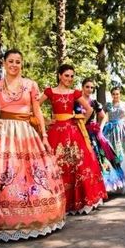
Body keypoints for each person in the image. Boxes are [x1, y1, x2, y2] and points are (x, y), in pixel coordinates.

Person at [0, 49, 66, 242]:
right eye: (11, 61)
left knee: (34, 173)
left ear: (22, 64)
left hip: (27, 132)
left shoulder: (30, 84)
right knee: (8, 175)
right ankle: (11, 222)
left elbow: (37, 111)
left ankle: (40, 218)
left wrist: (44, 135)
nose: (14, 65)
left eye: (18, 62)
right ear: (4, 63)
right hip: (5, 134)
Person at [39, 64, 107, 215]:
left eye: (71, 76)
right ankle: (58, 202)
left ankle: (78, 202)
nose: (69, 79)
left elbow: (89, 110)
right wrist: (45, 120)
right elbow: (35, 106)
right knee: (56, 164)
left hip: (72, 131)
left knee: (78, 164)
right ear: (59, 76)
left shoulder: (75, 93)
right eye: (66, 75)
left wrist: (78, 121)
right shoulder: (50, 91)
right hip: (55, 132)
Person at [75, 78, 125, 193]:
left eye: (92, 87)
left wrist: (98, 127)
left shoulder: (95, 102)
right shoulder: (76, 101)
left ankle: (102, 186)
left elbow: (103, 116)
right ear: (82, 87)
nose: (89, 89)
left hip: (93, 132)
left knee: (99, 156)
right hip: (79, 130)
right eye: (87, 87)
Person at [102, 87, 125, 164]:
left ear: (120, 94)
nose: (115, 96)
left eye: (117, 94)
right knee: (111, 148)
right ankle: (114, 167)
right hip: (111, 130)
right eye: (113, 94)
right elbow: (102, 116)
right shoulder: (107, 105)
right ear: (111, 95)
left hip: (123, 130)